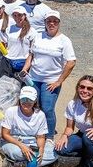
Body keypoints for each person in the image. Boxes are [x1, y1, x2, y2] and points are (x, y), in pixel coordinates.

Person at [21, 10, 76, 140]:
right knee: (34, 106)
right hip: (33, 78)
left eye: (55, 21)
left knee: (47, 108)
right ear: (45, 23)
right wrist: (25, 69)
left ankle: (49, 136)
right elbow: (31, 55)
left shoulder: (64, 40)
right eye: (49, 21)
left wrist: (59, 81)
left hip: (50, 81)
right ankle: (36, 131)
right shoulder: (38, 36)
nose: (52, 24)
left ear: (59, 23)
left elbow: (71, 62)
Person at [0, 86, 57, 167]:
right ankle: (31, 161)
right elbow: (5, 134)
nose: (26, 102)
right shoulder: (11, 111)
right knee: (16, 152)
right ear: (19, 100)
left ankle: (17, 163)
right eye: (23, 99)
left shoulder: (40, 115)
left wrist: (41, 149)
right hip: (13, 142)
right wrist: (22, 146)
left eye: (30, 100)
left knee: (52, 154)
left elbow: (41, 137)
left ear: (35, 101)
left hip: (32, 143)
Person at [4, 6, 37, 75]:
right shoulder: (9, 28)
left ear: (24, 16)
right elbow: (7, 44)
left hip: (22, 63)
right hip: (7, 60)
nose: (17, 18)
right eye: (15, 15)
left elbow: (32, 52)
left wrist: (25, 68)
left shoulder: (31, 31)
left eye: (19, 15)